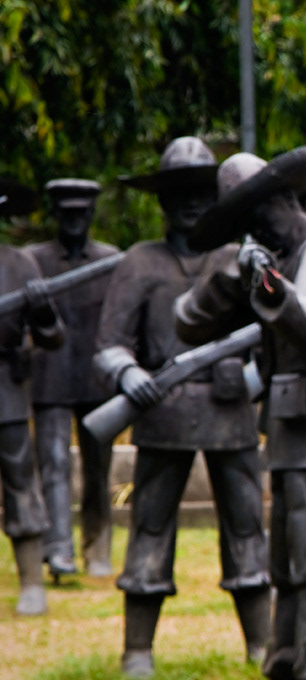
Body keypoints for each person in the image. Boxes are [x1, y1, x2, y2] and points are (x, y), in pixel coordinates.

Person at [176, 146, 306, 680]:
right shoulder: (271, 254)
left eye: (258, 218)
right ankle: (284, 661)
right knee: (285, 565)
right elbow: (187, 324)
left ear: (287, 199)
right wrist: (230, 279)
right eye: (245, 226)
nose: (254, 233)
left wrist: (270, 286)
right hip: (286, 427)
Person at [94, 137, 269, 677]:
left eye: (202, 192)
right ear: (162, 202)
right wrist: (130, 373)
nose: (191, 203)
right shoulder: (139, 261)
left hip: (230, 411)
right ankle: (137, 651)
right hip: (160, 414)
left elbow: (275, 334)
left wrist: (248, 379)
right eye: (180, 194)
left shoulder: (241, 255)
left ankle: (262, 648)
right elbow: (110, 343)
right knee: (148, 529)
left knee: (246, 531)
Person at [26, 178, 120, 579]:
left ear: (92, 214)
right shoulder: (35, 261)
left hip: (97, 380)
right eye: (67, 214)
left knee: (99, 468)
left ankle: (97, 546)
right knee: (53, 463)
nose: (75, 222)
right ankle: (58, 548)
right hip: (50, 378)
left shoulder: (111, 259)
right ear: (55, 215)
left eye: (82, 214)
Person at [0, 178, 64, 616]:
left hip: (6, 386)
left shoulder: (21, 263)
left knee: (22, 479)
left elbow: (53, 335)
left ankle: (31, 581)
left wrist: (41, 313)